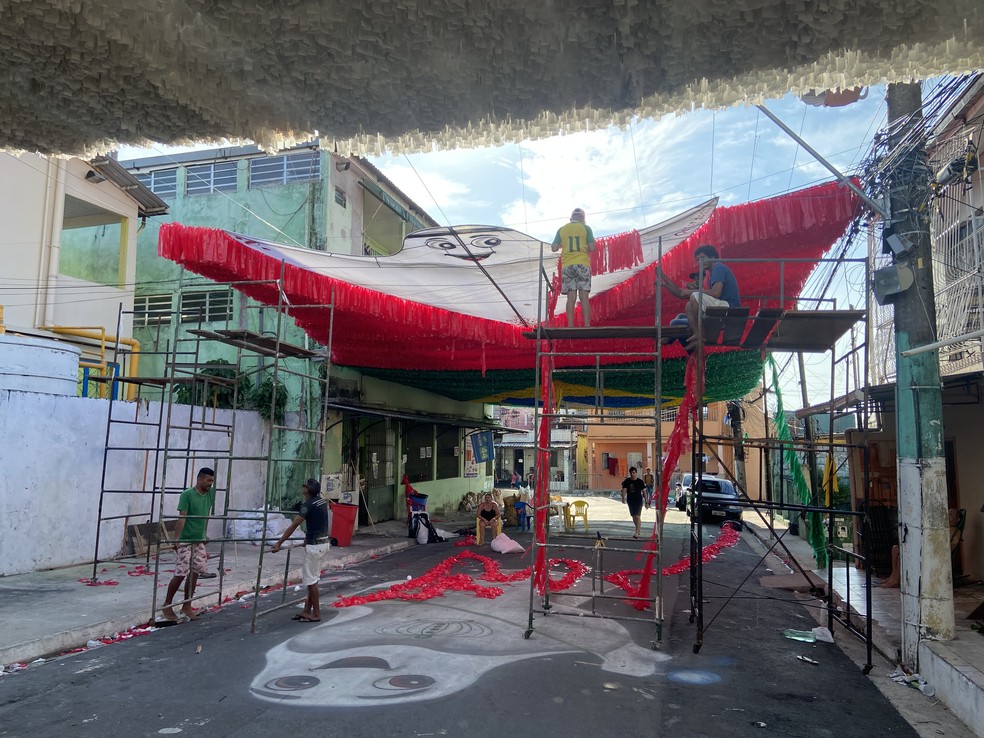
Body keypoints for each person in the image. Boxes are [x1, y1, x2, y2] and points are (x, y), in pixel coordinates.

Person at [270, 478, 332, 623]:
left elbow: (293, 526)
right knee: (313, 579)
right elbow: (319, 521)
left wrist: (279, 543)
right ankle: (306, 610)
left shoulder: (307, 505)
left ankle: (316, 614)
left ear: (307, 490)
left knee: (311, 581)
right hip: (323, 543)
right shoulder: (322, 502)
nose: (302, 488)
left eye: (304, 486)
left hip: (315, 546)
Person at [660, 244, 740, 351]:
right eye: (698, 260)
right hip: (719, 306)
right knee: (688, 305)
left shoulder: (718, 268)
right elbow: (681, 293)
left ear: (712, 257)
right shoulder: (709, 275)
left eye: (702, 258)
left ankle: (699, 335)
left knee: (677, 321)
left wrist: (692, 292)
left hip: (729, 307)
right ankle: (698, 335)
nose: (700, 262)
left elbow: (716, 293)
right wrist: (664, 280)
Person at [162, 467, 216, 622]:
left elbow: (207, 514)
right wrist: (177, 539)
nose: (210, 484)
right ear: (200, 479)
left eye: (212, 481)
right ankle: (167, 604)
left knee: (195, 572)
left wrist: (204, 533)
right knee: (181, 573)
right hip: (186, 539)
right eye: (208, 480)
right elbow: (182, 518)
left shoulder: (210, 494)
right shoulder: (187, 495)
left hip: (198, 539)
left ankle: (187, 605)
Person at [551, 208, 597, 327]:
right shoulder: (586, 228)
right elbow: (592, 247)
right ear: (582, 219)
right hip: (582, 264)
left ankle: (570, 326)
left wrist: (564, 245)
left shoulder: (562, 229)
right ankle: (587, 325)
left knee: (570, 297)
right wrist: (583, 247)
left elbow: (554, 248)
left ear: (571, 218)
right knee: (584, 297)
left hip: (567, 266)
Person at [620, 466, 646, 539]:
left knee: (637, 516)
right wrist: (623, 498)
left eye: (633, 473)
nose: (632, 474)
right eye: (631, 473)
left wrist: (647, 501)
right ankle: (638, 529)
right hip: (630, 500)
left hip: (638, 500)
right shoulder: (627, 481)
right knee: (634, 516)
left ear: (636, 473)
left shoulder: (640, 481)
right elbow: (624, 489)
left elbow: (644, 491)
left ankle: (636, 532)